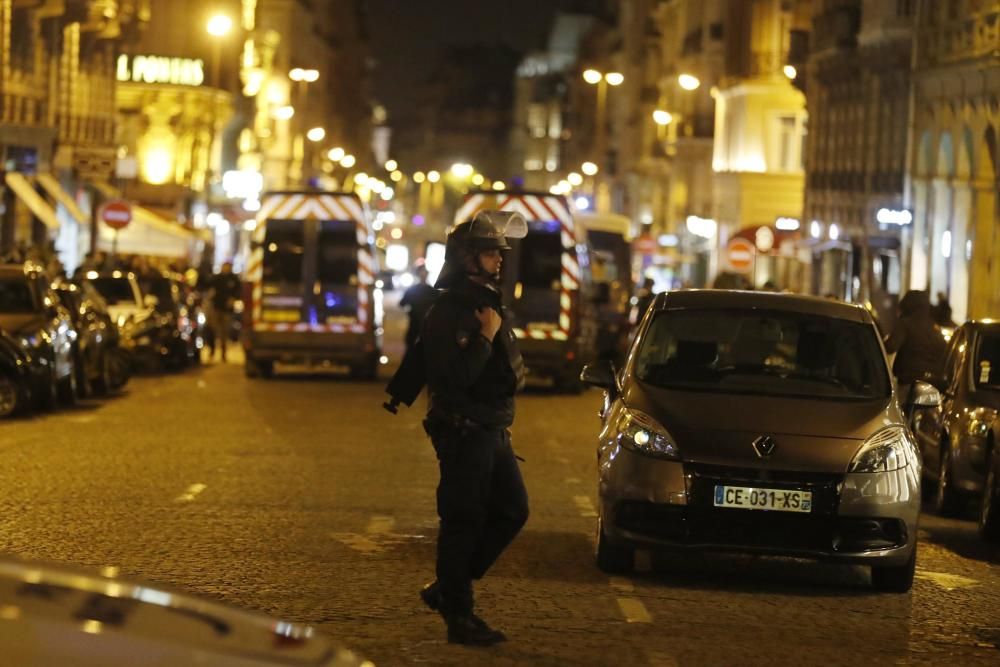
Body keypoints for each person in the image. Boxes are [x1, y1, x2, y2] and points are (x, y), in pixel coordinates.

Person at [417, 210, 529, 647]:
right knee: (462, 521)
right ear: (466, 258)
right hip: (465, 429)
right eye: (488, 253)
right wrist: (485, 337)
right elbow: (454, 378)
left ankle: (449, 588)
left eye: (498, 252)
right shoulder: (451, 308)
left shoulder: (487, 299)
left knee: (512, 510)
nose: (498, 259)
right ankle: (459, 616)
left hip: (493, 427)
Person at [884, 289, 947, 400]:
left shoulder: (905, 323)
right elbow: (944, 352)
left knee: (902, 414)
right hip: (932, 384)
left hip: (909, 382)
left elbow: (890, 347)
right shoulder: (934, 327)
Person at [207, 262, 241, 362]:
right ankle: (212, 350)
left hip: (227, 310)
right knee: (212, 329)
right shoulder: (216, 278)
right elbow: (208, 286)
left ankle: (223, 354)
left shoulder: (234, 279)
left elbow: (238, 291)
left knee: (224, 332)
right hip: (216, 307)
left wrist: (233, 299)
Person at [399, 264, 437, 354]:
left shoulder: (430, 291)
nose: (424, 274)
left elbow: (402, 303)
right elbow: (402, 303)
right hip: (417, 324)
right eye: (422, 272)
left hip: (425, 325)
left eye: (425, 272)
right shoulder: (430, 291)